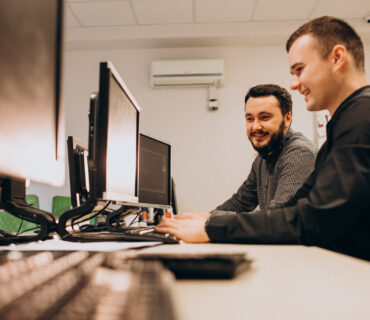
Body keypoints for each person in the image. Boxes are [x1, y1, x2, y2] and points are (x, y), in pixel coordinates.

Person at [155, 16, 370, 261]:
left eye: (300, 70)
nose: (295, 83)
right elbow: (296, 208)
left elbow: (313, 220)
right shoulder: (347, 121)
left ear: (337, 58)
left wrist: (211, 228)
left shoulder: (360, 119)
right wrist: (207, 219)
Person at [211, 84, 316, 213]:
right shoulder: (263, 158)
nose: (255, 127)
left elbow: (277, 217)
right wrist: (203, 220)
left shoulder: (300, 153)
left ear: (287, 119)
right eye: (250, 119)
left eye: (265, 117)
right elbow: (240, 202)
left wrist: (210, 225)